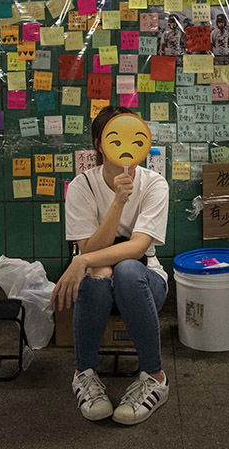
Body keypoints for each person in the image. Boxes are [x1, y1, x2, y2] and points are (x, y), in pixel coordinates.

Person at [53, 106, 169, 425]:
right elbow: (91, 247)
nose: (127, 145)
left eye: (136, 136)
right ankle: (84, 374)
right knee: (97, 272)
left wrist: (83, 260)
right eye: (116, 137)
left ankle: (155, 378)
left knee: (127, 268)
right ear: (99, 144)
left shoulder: (155, 183)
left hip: (145, 283)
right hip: (98, 287)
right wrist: (118, 201)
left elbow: (139, 247)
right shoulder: (81, 187)